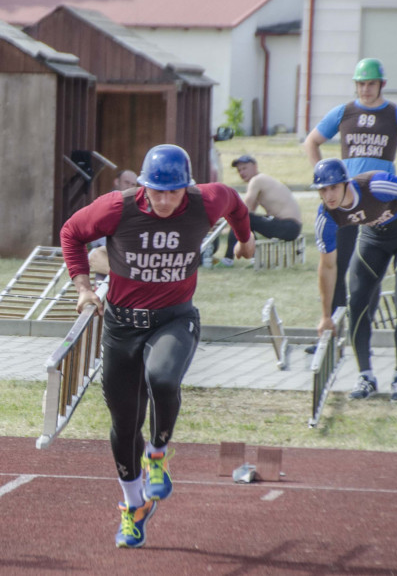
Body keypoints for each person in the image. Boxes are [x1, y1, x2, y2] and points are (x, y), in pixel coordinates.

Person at [60, 144, 254, 549]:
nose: (165, 201)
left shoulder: (207, 199)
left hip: (174, 318)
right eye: (156, 192)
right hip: (121, 325)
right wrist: (82, 288)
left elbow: (237, 204)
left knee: (162, 379)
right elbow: (71, 233)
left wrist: (245, 240)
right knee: (124, 424)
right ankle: (134, 507)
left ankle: (159, 453)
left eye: (174, 192)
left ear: (188, 187)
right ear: (144, 186)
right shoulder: (118, 207)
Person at [303, 58, 397, 314]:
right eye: (361, 84)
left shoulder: (396, 113)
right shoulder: (343, 112)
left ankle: (362, 326)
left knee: (369, 271)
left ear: (382, 84)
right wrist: (324, 180)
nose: (365, 89)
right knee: (337, 265)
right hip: (345, 201)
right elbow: (311, 142)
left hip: (379, 201)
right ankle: (335, 331)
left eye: (371, 84)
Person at [311, 158, 397, 403]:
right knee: (356, 303)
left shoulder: (377, 185)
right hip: (373, 238)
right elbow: (328, 266)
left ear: (345, 183)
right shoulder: (326, 215)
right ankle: (365, 376)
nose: (329, 195)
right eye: (323, 189)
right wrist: (325, 316)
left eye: (333, 187)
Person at [216, 155, 302, 267]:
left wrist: (227, 224)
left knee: (242, 218)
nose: (241, 172)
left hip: (287, 226)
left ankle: (228, 260)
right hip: (292, 227)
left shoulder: (257, 180)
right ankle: (254, 259)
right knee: (247, 221)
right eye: (239, 170)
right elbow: (250, 213)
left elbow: (243, 211)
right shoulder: (262, 180)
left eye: (244, 168)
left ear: (255, 166)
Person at [89, 169, 139, 276]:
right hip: (106, 255)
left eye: (133, 184)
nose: (129, 186)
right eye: (126, 182)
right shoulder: (105, 203)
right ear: (117, 182)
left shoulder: (135, 207)